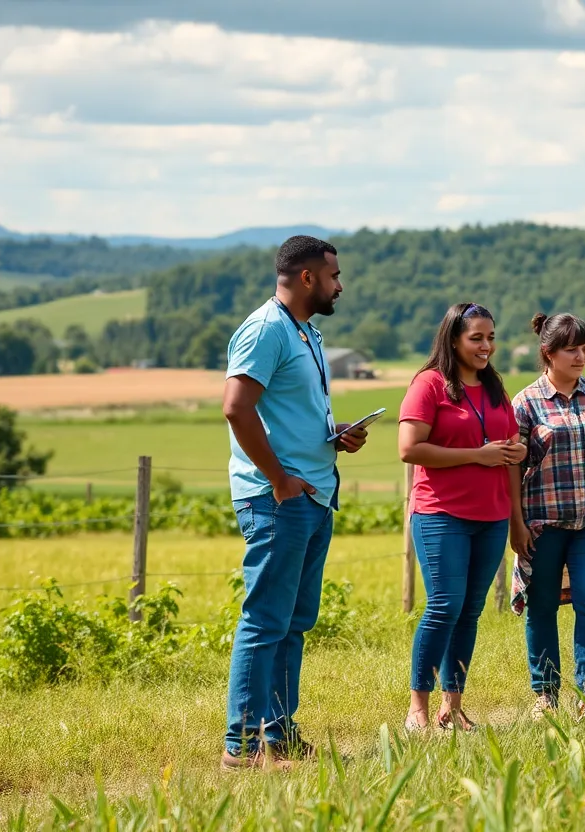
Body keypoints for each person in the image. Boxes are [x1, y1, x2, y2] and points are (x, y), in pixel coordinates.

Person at [220, 235, 369, 770]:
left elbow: (290, 413)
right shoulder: (265, 330)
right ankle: (242, 745)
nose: (339, 284)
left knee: (293, 621)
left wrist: (337, 433)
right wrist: (280, 479)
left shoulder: (306, 332)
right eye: (333, 276)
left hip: (313, 494)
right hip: (277, 499)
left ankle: (277, 735)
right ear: (307, 277)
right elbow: (237, 409)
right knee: (265, 620)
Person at [398, 302, 526, 733]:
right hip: (440, 513)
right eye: (477, 338)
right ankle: (418, 706)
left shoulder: (495, 388)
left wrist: (516, 517)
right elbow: (409, 448)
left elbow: (509, 453)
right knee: (444, 606)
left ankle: (452, 707)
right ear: (454, 338)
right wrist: (479, 455)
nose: (487, 346)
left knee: (469, 611)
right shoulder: (429, 385)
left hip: (491, 516)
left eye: (491, 337)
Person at [508, 312, 585, 720]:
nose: (581, 357)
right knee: (541, 604)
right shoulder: (525, 402)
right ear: (548, 353)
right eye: (571, 350)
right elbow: (510, 464)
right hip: (542, 522)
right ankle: (545, 693)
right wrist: (516, 523)